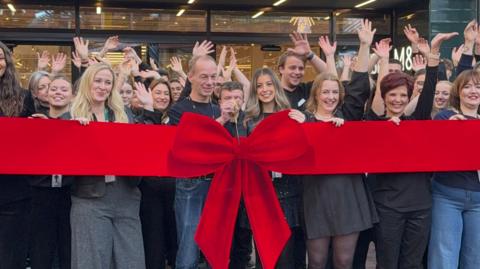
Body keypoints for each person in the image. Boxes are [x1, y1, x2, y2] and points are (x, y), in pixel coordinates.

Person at [367, 32, 457, 269]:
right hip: (387, 208)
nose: (397, 100)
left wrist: (433, 53)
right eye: (392, 95)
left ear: (409, 98)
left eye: (402, 96)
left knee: (413, 263)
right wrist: (382, 60)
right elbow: (377, 96)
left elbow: (429, 89)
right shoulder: (375, 125)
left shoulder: (417, 120)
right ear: (384, 98)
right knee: (387, 263)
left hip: (420, 207)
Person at [302, 19, 378, 269]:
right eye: (325, 92)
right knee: (316, 260)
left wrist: (365, 46)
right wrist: (302, 125)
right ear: (316, 95)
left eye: (335, 93)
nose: (330, 97)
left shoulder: (348, 116)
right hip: (316, 196)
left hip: (348, 194)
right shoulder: (306, 120)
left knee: (344, 261)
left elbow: (358, 87)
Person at [65, 62, 145, 269]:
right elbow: (61, 160)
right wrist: (75, 133)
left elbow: (140, 153)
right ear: (87, 83)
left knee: (132, 261)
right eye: (97, 81)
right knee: (90, 262)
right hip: (89, 200)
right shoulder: (71, 116)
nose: (102, 86)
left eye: (107, 82)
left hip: (125, 196)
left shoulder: (124, 116)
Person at [243, 67, 305, 269]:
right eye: (259, 86)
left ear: (276, 87)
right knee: (264, 257)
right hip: (260, 195)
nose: (264, 89)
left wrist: (306, 122)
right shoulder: (248, 120)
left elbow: (304, 147)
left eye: (269, 84)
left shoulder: (291, 116)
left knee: (286, 256)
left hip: (287, 194)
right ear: (254, 90)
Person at [427, 32, 480, 269]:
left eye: (478, 87)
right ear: (458, 92)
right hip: (447, 194)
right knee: (444, 255)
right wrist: (450, 130)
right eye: (467, 87)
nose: (473, 91)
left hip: (478, 198)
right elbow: (434, 147)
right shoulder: (446, 116)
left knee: (474, 256)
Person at [28, 75, 75, 269]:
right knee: (41, 250)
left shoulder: (79, 124)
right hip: (40, 193)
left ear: (72, 96)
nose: (58, 93)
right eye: (54, 89)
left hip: (70, 193)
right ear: (46, 93)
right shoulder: (34, 122)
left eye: (64, 89)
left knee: (68, 250)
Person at [134, 79, 178, 269]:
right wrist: (149, 108)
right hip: (149, 190)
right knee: (154, 241)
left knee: (174, 239)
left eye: (165, 93)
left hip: (173, 189)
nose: (162, 96)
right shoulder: (140, 119)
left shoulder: (175, 119)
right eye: (157, 92)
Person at [0, 40, 35, 269]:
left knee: (11, 253)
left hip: (14, 191)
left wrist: (39, 126)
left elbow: (33, 142)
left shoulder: (23, 98)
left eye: (1, 57)